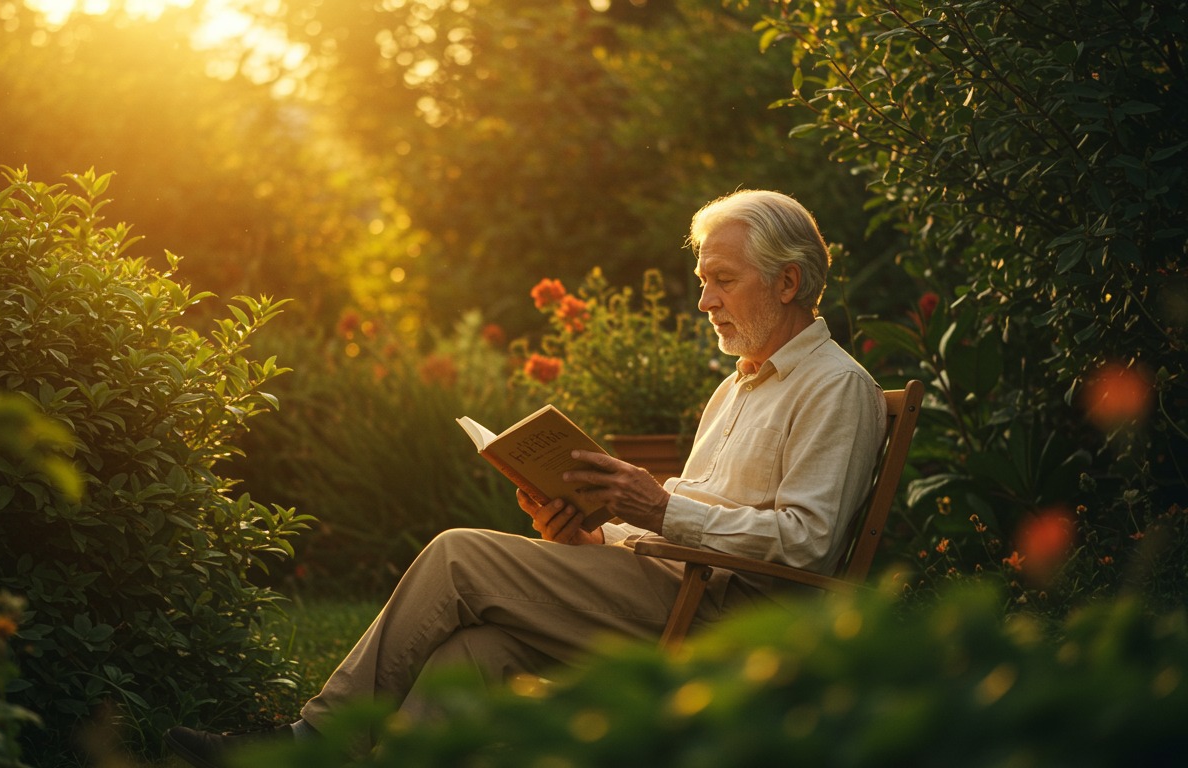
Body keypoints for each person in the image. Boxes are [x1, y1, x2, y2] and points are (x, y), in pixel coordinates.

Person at [164, 189, 887, 766]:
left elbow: (808, 545)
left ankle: (307, 749)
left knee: (457, 555)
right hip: (672, 589)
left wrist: (661, 510)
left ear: (788, 281)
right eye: (704, 284)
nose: (706, 304)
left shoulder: (836, 388)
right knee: (473, 654)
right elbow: (685, 521)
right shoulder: (737, 388)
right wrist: (594, 532)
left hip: (731, 618)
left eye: (723, 282)